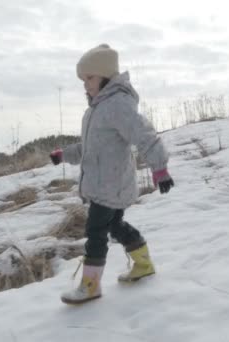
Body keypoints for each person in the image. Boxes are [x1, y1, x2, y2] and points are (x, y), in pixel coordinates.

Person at [50, 44, 174, 304]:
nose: (85, 85)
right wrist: (65, 154)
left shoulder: (117, 104)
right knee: (115, 226)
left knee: (95, 231)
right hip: (107, 183)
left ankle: (90, 286)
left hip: (110, 184)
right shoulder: (97, 108)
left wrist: (159, 167)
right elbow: (89, 148)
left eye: (90, 78)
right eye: (83, 80)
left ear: (105, 75)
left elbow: (144, 135)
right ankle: (143, 264)